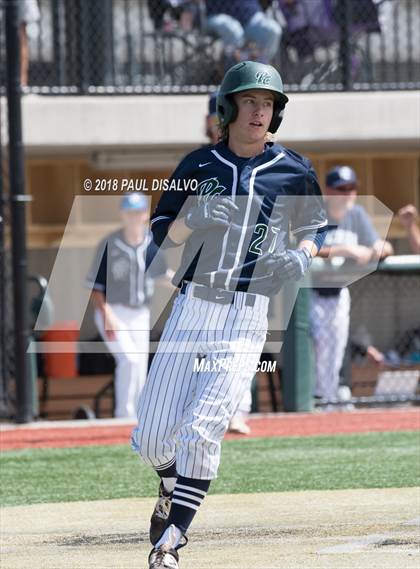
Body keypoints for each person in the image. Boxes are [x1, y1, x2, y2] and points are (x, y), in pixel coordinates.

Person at [131, 60, 327, 568]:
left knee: (202, 430)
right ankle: (170, 487)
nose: (260, 111)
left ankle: (170, 542)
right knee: (151, 440)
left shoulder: (294, 169)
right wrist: (190, 217)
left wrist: (302, 255)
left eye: (268, 103)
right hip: (192, 306)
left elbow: (316, 227)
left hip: (246, 315)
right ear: (229, 107)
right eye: (250, 101)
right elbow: (161, 236)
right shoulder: (197, 165)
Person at [310, 165, 393, 407]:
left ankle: (329, 399)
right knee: (315, 352)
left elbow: (383, 247)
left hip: (338, 294)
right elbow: (300, 247)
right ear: (328, 190)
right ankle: (315, 400)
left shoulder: (356, 215)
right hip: (308, 295)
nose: (347, 194)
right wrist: (343, 250)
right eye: (341, 189)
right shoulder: (316, 213)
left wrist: (379, 248)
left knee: (335, 351)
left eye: (351, 188)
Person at [86, 194, 169, 419]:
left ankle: (139, 419)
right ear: (123, 215)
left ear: (145, 214)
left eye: (138, 212)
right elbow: (96, 286)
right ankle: (124, 415)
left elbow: (161, 274)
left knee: (140, 367)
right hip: (112, 311)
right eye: (129, 213)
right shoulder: (110, 243)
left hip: (140, 313)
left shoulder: (151, 243)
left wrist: (186, 282)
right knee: (129, 359)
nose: (134, 217)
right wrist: (106, 315)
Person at [205, 91, 253, 435]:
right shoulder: (202, 161)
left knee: (243, 343)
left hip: (247, 265)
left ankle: (236, 410)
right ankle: (211, 410)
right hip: (208, 268)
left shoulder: (255, 156)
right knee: (206, 343)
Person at [205, 0, 282, 66]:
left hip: (250, 16)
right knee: (234, 30)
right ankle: (235, 75)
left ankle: (260, 71)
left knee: (273, 30)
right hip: (217, 13)